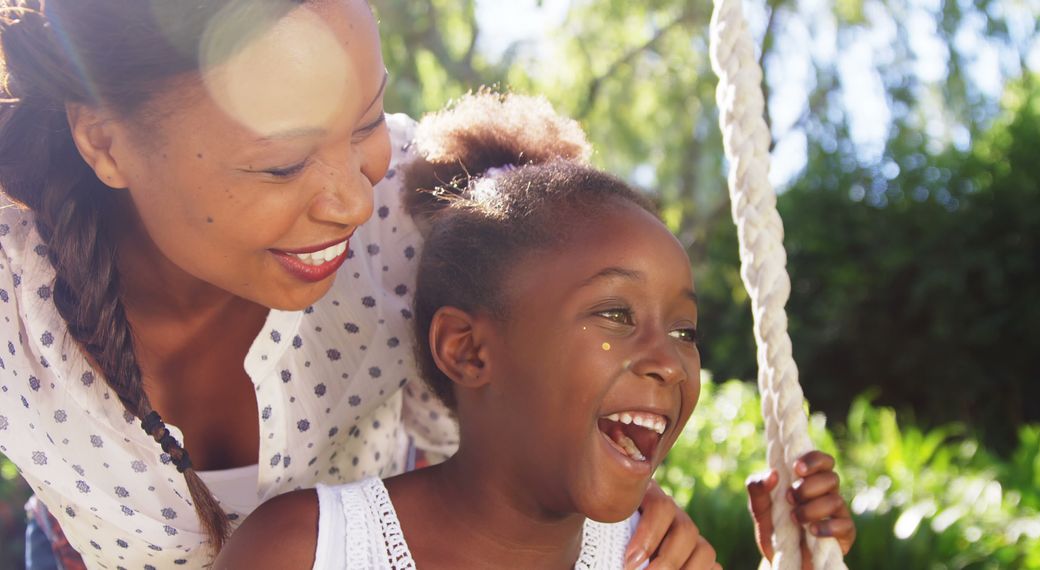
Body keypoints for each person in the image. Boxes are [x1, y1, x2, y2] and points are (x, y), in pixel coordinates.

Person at [0, 1, 723, 567]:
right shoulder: (13, 288)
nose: (351, 201)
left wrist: (609, 482)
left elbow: (544, 370)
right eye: (281, 166)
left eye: (366, 121)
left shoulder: (420, 208)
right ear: (104, 140)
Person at [215, 92, 855, 569]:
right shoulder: (307, 550)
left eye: (685, 330)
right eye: (615, 314)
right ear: (467, 350)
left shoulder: (653, 558)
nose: (670, 360)